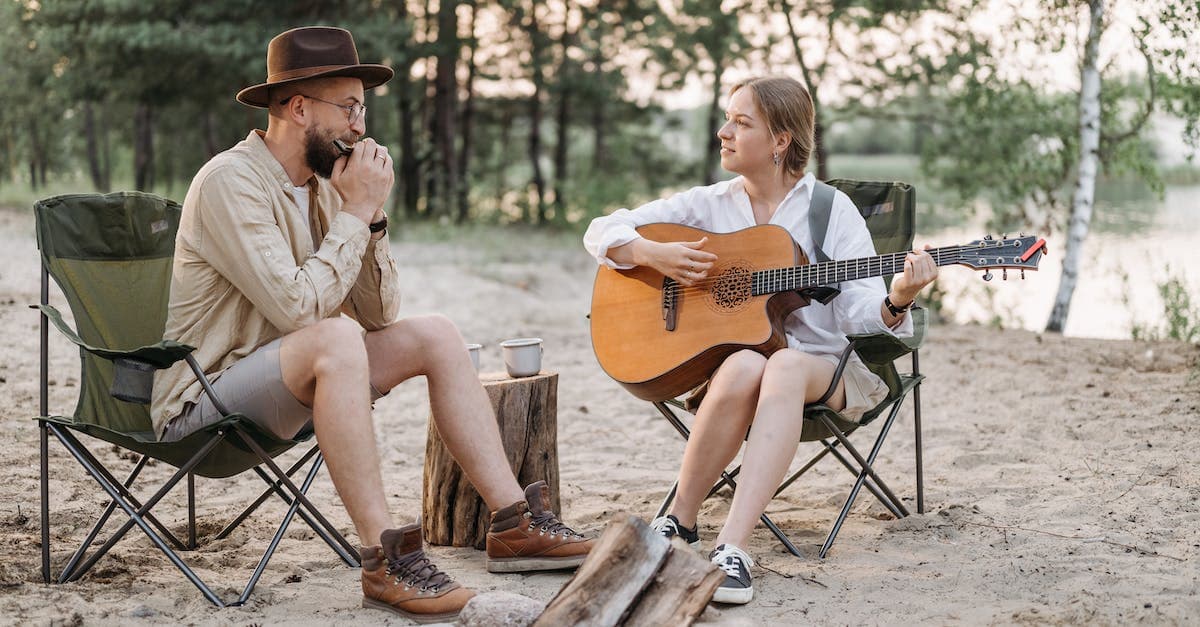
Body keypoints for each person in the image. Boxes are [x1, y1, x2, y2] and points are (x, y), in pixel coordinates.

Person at [151, 26, 591, 622]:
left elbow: (381, 314)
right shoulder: (231, 182)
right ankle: (387, 560)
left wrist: (370, 215)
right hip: (205, 401)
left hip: (295, 382)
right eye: (350, 108)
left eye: (363, 109)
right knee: (334, 336)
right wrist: (355, 210)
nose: (361, 126)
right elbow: (301, 311)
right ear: (298, 106)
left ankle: (516, 523)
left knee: (433, 332)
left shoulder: (327, 186)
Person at [582, 76, 937, 605]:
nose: (724, 132)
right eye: (728, 119)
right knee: (749, 362)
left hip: (827, 370)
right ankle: (679, 521)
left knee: (783, 365)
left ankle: (734, 549)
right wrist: (654, 255)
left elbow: (860, 310)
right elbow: (602, 230)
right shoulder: (710, 205)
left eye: (741, 123)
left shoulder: (829, 210)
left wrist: (900, 297)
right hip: (738, 373)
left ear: (780, 141)